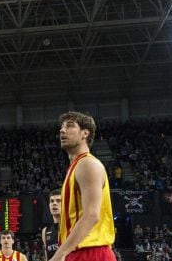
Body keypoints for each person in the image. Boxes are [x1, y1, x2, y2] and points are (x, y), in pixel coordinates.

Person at [49, 112, 115, 261]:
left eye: (70, 126)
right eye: (61, 127)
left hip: (90, 251)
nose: (62, 130)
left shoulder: (87, 164)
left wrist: (58, 255)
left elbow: (92, 215)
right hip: (78, 250)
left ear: (85, 133)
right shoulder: (76, 167)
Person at [41, 189, 61, 260]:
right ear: (49, 206)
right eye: (52, 201)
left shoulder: (73, 226)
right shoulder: (45, 231)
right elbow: (47, 257)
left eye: (58, 201)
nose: (54, 203)